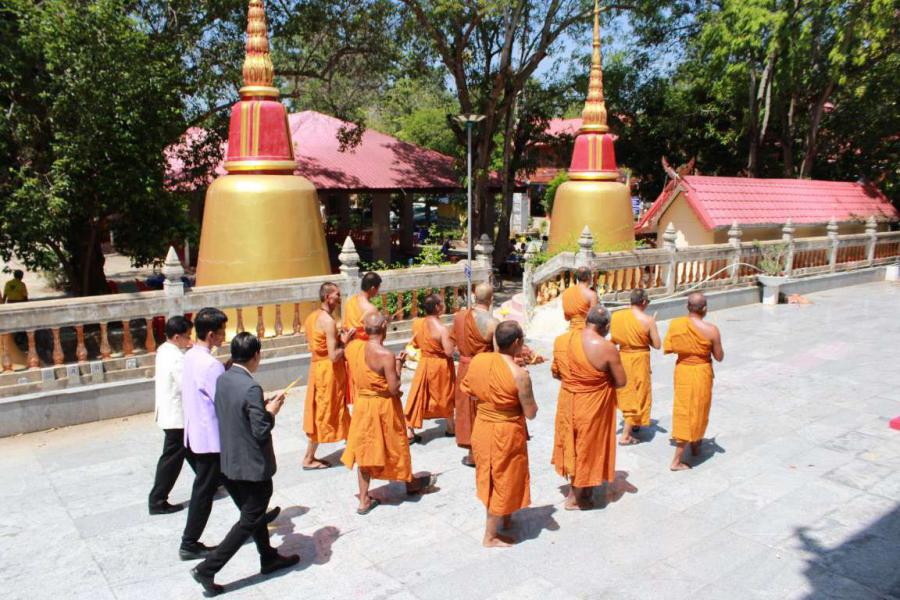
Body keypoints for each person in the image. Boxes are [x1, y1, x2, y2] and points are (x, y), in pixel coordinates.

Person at [190, 333, 298, 595]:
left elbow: (236, 412)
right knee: (249, 519)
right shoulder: (251, 387)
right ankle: (208, 568)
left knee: (254, 514)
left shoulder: (224, 378)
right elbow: (260, 430)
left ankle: (268, 556)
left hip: (229, 461)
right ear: (256, 356)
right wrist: (270, 412)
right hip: (252, 466)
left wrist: (259, 407)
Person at [341, 312, 432, 515]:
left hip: (363, 406)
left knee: (365, 450)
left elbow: (345, 350)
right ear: (384, 327)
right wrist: (398, 365)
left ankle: (363, 500)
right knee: (396, 445)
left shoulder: (354, 348)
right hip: (383, 407)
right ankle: (410, 483)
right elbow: (393, 388)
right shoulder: (386, 356)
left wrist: (345, 340)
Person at [461, 321, 537, 547]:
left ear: (496, 340)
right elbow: (531, 413)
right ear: (517, 343)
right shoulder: (520, 375)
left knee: (494, 475)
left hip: (483, 426)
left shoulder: (479, 361)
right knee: (502, 478)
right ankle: (490, 536)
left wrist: (492, 399)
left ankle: (505, 516)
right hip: (505, 431)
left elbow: (470, 391)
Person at [551, 305, 626, 510]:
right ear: (607, 326)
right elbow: (621, 381)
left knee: (573, 444)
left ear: (586, 321)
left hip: (568, 401)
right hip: (592, 404)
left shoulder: (562, 340)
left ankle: (582, 489)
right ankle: (575, 498)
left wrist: (576, 382)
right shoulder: (607, 348)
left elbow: (556, 373)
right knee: (586, 447)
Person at [180, 307, 229, 560]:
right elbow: (221, 399)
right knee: (204, 490)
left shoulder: (190, 356)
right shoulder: (210, 365)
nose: (224, 336)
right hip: (210, 437)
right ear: (211, 334)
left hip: (196, 432)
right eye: (221, 332)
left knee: (232, 482)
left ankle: (255, 518)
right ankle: (189, 542)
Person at [664, 293, 724, 471]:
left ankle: (696, 443)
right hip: (700, 372)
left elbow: (670, 347)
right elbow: (719, 356)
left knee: (686, 408)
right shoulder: (712, 330)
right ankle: (676, 461)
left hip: (683, 370)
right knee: (697, 409)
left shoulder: (676, 324)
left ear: (687, 307)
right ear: (704, 308)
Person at [302, 282, 354, 470]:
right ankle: (308, 458)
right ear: (327, 297)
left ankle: (354, 446)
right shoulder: (328, 321)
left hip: (317, 368)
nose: (339, 298)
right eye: (337, 294)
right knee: (325, 412)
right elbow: (333, 355)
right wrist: (345, 342)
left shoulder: (312, 317)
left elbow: (317, 344)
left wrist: (338, 339)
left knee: (333, 408)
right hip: (328, 371)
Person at [148, 316, 194, 515]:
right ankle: (157, 500)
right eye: (187, 336)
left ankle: (214, 480)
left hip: (171, 413)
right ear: (177, 337)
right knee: (172, 460)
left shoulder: (164, 351)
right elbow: (186, 383)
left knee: (195, 451)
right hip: (176, 416)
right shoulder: (176, 357)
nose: (189, 340)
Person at [452, 283, 497, 467]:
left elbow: (454, 345)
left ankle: (472, 453)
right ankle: (486, 451)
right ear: (491, 299)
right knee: (484, 409)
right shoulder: (493, 323)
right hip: (483, 369)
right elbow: (498, 354)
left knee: (467, 410)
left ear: (474, 297)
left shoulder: (460, 317)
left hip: (464, 368)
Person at [610, 289, 661, 446]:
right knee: (638, 394)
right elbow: (657, 345)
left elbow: (614, 339)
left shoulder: (617, 316)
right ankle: (625, 436)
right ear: (644, 302)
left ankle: (634, 423)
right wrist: (649, 330)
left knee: (626, 391)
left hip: (622, 357)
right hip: (639, 359)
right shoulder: (648, 321)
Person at [404, 293, 456, 441]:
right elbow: (449, 352)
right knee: (445, 395)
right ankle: (450, 427)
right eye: (442, 303)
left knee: (418, 395)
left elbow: (416, 344)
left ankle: (409, 429)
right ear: (437, 307)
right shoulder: (442, 329)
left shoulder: (417, 324)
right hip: (440, 365)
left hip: (425, 363)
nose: (444, 305)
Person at [342, 272, 382, 404]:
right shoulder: (371, 309)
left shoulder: (350, 302)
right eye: (378, 288)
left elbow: (345, 326)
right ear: (372, 288)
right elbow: (376, 334)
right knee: (366, 386)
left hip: (350, 347)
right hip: (365, 349)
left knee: (355, 381)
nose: (378, 292)